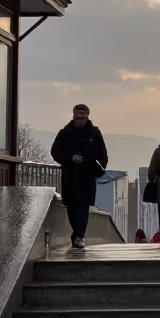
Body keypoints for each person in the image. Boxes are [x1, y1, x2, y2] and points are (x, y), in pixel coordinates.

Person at [50, 104, 109, 250]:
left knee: (83, 206)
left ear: (87, 117)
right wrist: (70, 158)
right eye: (77, 118)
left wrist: (98, 168)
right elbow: (55, 152)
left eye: (82, 118)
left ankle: (79, 236)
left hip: (87, 175)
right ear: (73, 116)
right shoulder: (65, 133)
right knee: (71, 206)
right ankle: (77, 234)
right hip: (70, 174)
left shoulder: (94, 133)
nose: (79, 121)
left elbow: (102, 153)